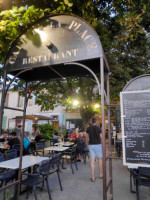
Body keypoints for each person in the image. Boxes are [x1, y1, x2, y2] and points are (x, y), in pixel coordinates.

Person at [85, 117, 103, 182]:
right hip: (98, 145)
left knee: (92, 161)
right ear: (96, 122)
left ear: (91, 122)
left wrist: (87, 144)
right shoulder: (98, 128)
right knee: (100, 159)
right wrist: (102, 145)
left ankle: (93, 178)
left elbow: (86, 137)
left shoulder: (88, 128)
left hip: (91, 145)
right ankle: (100, 175)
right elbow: (101, 137)